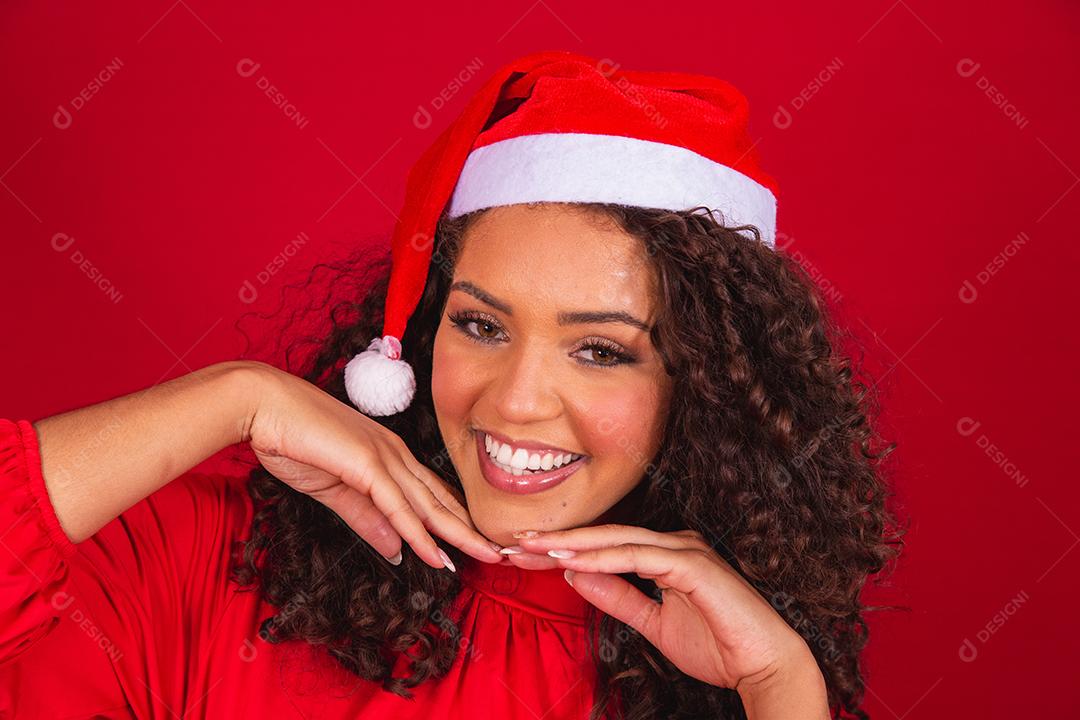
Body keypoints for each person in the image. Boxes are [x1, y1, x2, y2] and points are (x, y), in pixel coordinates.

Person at [0, 50, 902, 719]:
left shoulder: (725, 666)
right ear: (420, 334)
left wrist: (779, 689)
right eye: (480, 326)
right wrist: (230, 397)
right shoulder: (205, 557)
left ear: (704, 389)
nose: (513, 402)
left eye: (600, 350)